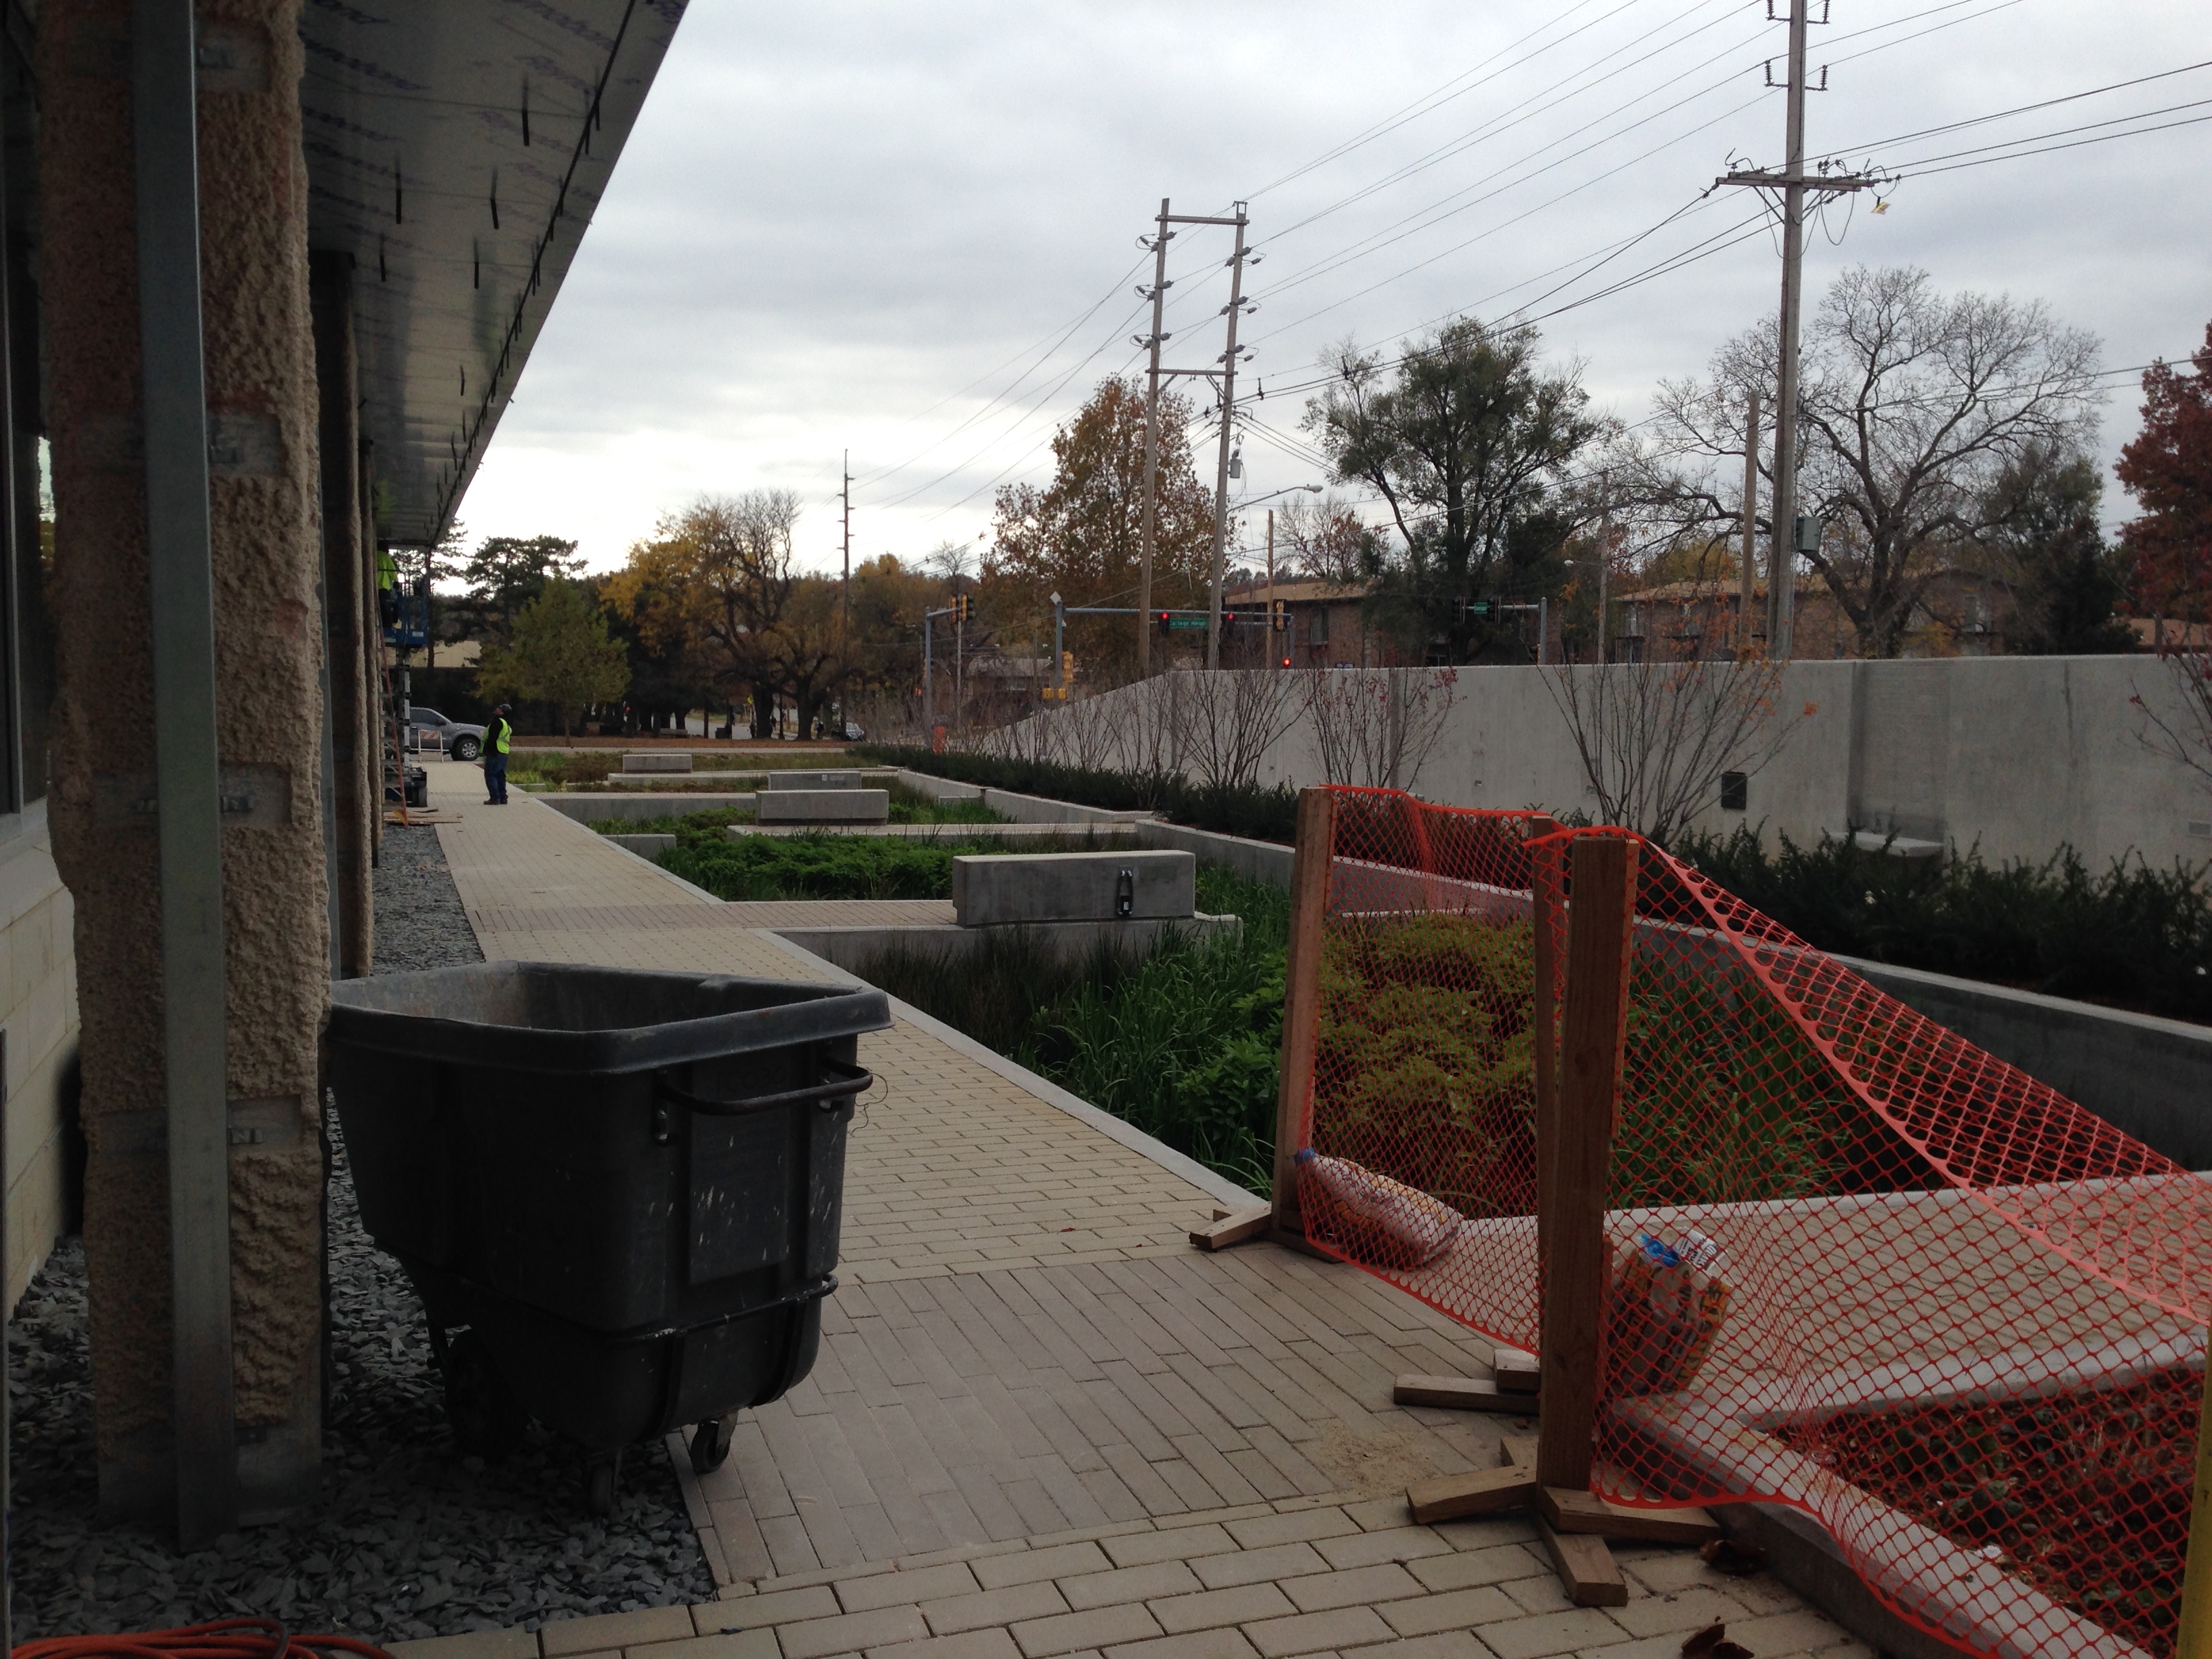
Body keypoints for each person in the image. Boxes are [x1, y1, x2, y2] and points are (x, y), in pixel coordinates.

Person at [483, 703, 512, 804]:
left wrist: (488, 750)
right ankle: (503, 798)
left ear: (502, 712)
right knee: (500, 775)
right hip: (504, 752)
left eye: (499, 708)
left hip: (495, 752)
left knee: (491, 775)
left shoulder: (498, 722)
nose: (496, 709)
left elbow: (492, 737)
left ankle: (495, 798)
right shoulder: (506, 724)